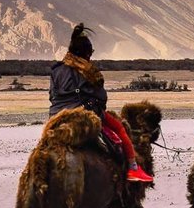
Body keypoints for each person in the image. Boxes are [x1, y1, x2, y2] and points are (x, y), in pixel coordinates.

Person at [48, 23, 154, 184]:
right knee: (119, 128)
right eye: (91, 53)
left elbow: (52, 96)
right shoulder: (90, 71)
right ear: (87, 53)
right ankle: (133, 168)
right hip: (82, 115)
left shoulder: (56, 70)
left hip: (56, 117)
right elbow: (101, 98)